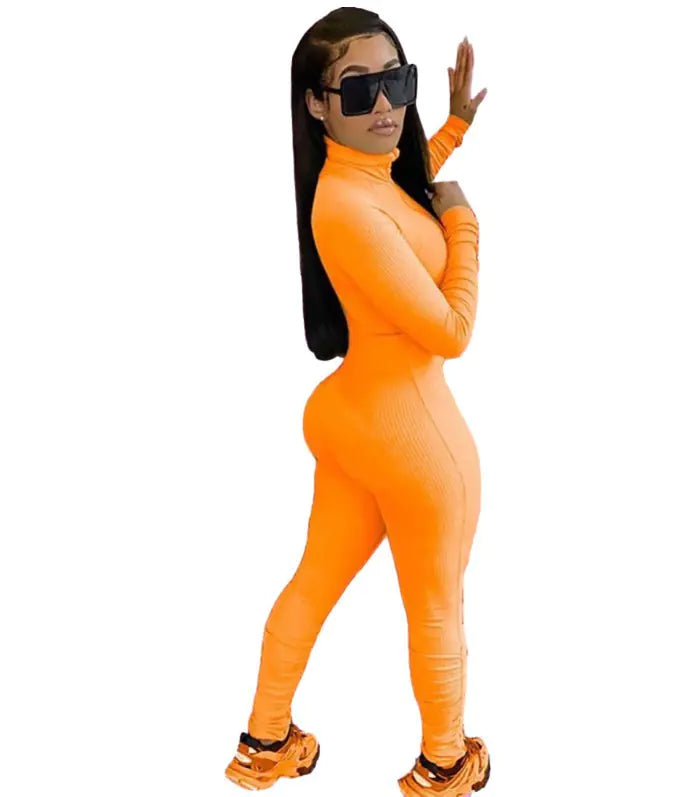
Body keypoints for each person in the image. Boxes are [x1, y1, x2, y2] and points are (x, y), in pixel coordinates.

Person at [225, 8, 490, 795]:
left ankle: (264, 742)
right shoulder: (344, 208)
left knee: (314, 580)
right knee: (436, 602)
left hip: (355, 419)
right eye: (359, 89)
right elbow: (452, 330)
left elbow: (399, 186)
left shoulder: (352, 182)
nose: (383, 106)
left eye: (395, 83)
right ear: (316, 103)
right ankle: (444, 761)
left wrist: (453, 128)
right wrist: (466, 222)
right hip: (410, 433)